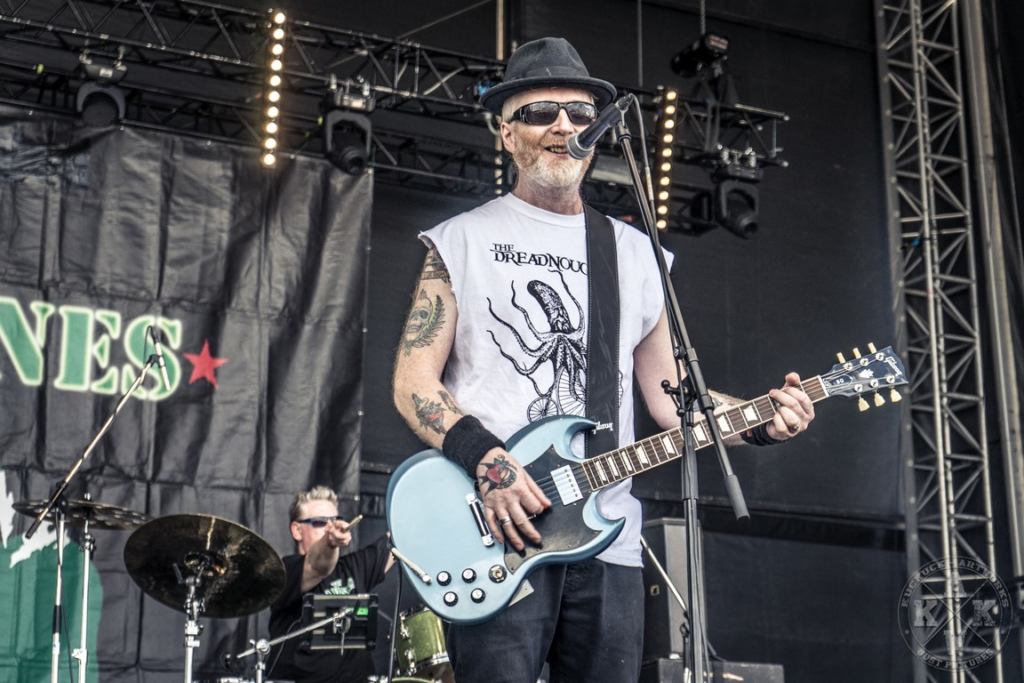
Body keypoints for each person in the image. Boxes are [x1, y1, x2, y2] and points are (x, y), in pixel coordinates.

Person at [391, 36, 815, 683]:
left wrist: (760, 421)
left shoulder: (636, 253)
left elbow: (672, 397)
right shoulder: (462, 240)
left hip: (606, 537)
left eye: (580, 113)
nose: (563, 125)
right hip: (499, 527)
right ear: (506, 132)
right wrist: (490, 461)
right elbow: (413, 381)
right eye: (540, 112)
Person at [268, 486, 394, 683]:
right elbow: (318, 566)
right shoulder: (286, 570)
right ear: (297, 530)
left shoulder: (354, 566)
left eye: (334, 521)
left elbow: (399, 538)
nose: (329, 527)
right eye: (320, 522)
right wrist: (330, 541)